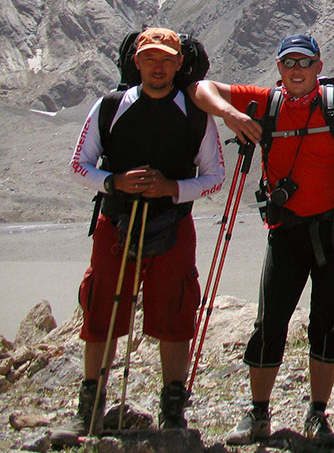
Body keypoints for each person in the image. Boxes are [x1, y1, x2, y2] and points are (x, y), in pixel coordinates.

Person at [188, 34, 334, 447]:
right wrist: (231, 114)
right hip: (284, 232)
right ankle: (259, 413)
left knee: (329, 326)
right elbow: (200, 89)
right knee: (270, 322)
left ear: (319, 67)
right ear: (279, 69)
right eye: (289, 63)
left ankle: (317, 414)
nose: (297, 69)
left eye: (305, 62)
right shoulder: (267, 102)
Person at [52, 27, 224, 446]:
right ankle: (89, 409)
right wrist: (115, 183)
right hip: (116, 224)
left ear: (179, 63)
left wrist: (173, 189)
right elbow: (79, 165)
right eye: (150, 58)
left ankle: (172, 413)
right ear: (137, 62)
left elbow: (215, 175)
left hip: (173, 225)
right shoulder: (109, 108)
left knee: (175, 315)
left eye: (167, 58)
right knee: (101, 315)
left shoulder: (197, 114)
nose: (159, 66)